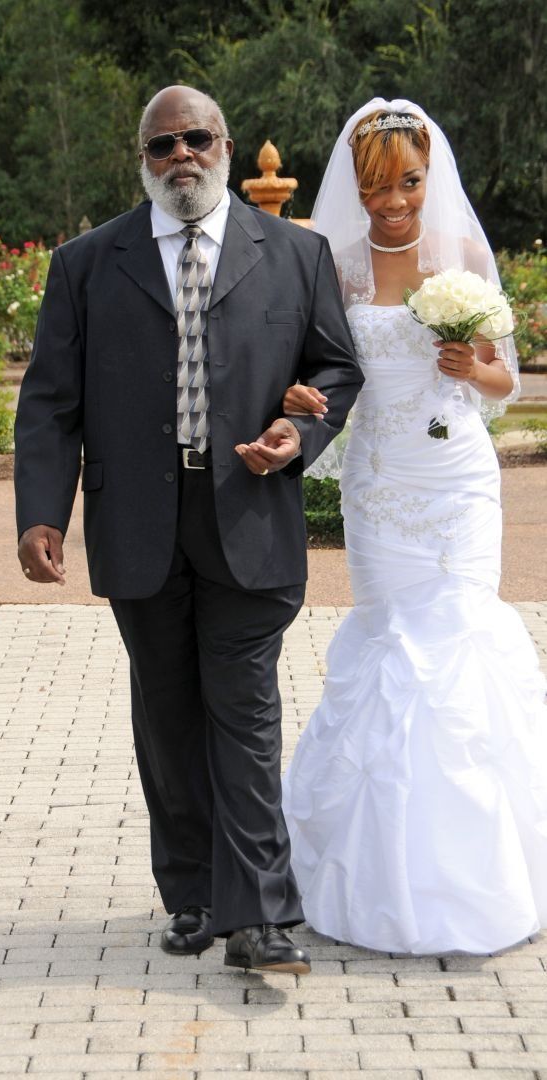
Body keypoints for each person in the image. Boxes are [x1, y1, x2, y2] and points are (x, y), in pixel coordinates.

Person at [14, 85, 363, 973]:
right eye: (163, 143)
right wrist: (42, 514)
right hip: (137, 528)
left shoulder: (293, 252)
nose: (181, 156)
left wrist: (300, 434)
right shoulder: (88, 263)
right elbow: (50, 405)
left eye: (196, 139)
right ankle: (194, 896)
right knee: (167, 720)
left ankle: (260, 918)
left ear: (226, 146)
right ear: (141, 156)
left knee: (242, 716)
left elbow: (335, 367)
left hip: (250, 519)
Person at [282, 98, 547, 955]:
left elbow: (503, 384)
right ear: (353, 186)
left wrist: (474, 365)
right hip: (381, 487)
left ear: (429, 178)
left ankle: (481, 874)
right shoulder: (337, 265)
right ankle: (380, 875)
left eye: (407, 183)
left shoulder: (464, 256)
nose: (391, 200)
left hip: (459, 483)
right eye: (373, 186)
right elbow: (322, 366)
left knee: (466, 642)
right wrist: (303, 398)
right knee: (394, 648)